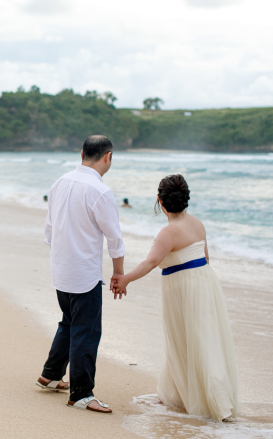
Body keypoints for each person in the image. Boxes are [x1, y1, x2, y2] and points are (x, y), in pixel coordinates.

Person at [111, 175, 238, 422]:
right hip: (203, 281)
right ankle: (180, 393)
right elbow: (206, 257)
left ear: (160, 201)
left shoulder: (168, 232)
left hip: (183, 287)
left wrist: (124, 279)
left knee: (192, 340)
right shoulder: (197, 223)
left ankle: (216, 403)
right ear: (185, 199)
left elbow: (151, 262)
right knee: (199, 338)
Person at [36, 135, 124, 413]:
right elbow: (115, 239)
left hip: (61, 269)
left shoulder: (59, 182)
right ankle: (81, 394)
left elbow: (49, 230)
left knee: (69, 322)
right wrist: (118, 273)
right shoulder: (100, 191)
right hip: (84, 273)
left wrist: (63, 258)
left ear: (82, 152)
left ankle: (50, 374)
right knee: (86, 331)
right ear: (107, 157)